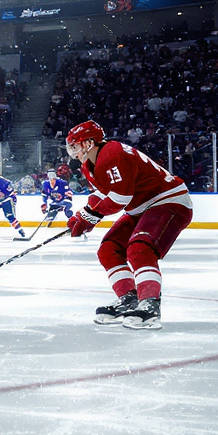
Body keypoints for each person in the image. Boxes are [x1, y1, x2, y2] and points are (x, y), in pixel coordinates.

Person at [65, 120, 192, 331]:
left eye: (75, 146)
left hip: (168, 201)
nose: (73, 152)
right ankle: (129, 299)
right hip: (141, 208)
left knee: (140, 248)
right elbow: (102, 194)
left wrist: (90, 217)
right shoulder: (89, 165)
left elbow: (120, 197)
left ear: (89, 143)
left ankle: (150, 306)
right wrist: (81, 215)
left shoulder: (111, 153)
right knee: (108, 250)